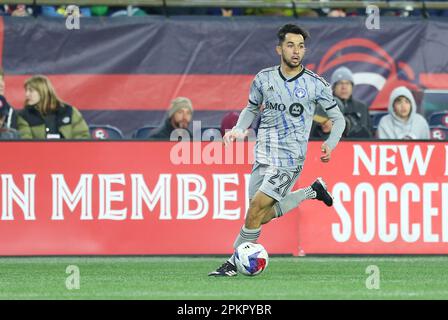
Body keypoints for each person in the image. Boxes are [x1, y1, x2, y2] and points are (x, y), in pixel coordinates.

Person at [208, 24, 346, 277]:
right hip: (263, 154)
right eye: (291, 45)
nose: (296, 51)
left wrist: (331, 143)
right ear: (279, 49)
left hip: (290, 158)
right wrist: (239, 129)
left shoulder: (316, 84)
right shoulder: (263, 78)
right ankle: (311, 192)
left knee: (257, 208)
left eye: (301, 46)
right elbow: (251, 108)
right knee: (259, 216)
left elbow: (339, 119)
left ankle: (231, 264)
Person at [17, 75, 90, 139]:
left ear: (43, 91)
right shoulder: (24, 116)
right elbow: (26, 143)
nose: (27, 94)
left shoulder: (69, 111)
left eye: (31, 91)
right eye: (26, 90)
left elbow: (83, 136)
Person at [331, 66, 372, 138]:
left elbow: (369, 133)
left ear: (352, 86)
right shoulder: (325, 106)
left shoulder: (362, 107)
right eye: (340, 83)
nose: (344, 87)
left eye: (347, 83)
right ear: (333, 87)